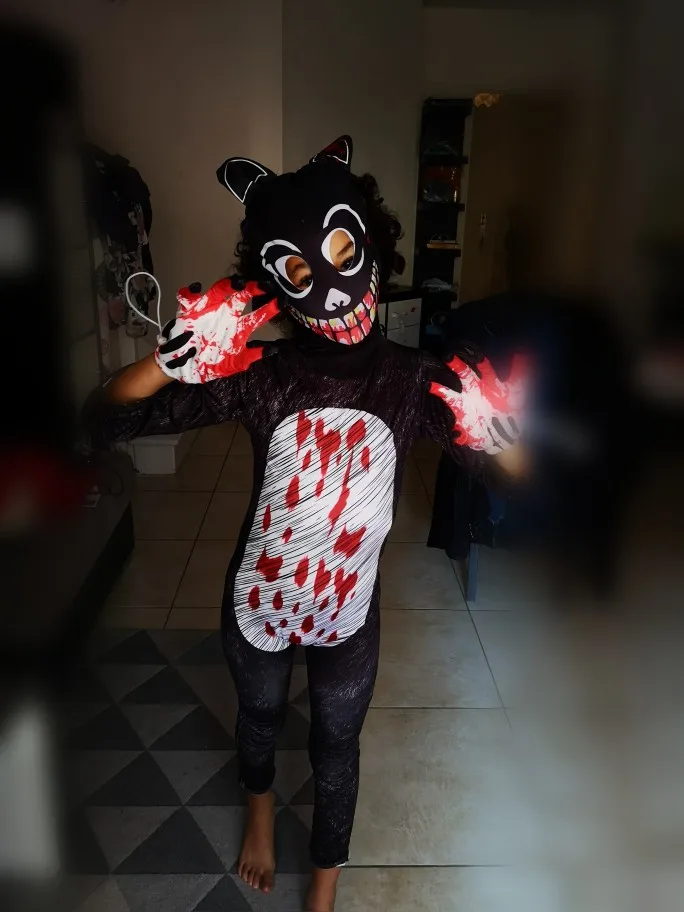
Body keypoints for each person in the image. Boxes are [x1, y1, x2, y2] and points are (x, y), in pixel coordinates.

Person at [89, 136, 525, 912]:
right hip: (260, 601)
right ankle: (259, 814)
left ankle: (323, 888)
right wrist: (169, 360)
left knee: (337, 746)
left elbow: (505, 474)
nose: (329, 283)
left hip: (347, 615)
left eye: (341, 249)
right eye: (298, 270)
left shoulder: (413, 382)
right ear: (276, 287)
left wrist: (503, 435)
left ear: (372, 243)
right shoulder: (260, 375)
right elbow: (105, 421)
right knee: (257, 717)